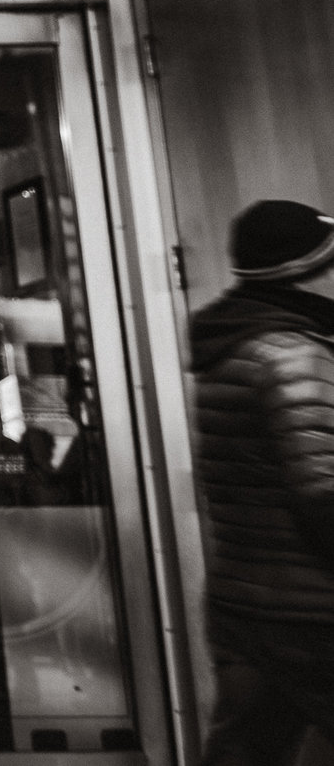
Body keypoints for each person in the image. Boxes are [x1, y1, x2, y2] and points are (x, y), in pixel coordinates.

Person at [191, 199, 334, 766]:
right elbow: (324, 493)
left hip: (242, 598)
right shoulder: (294, 354)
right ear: (304, 268)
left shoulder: (229, 344)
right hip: (311, 609)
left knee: (245, 753)